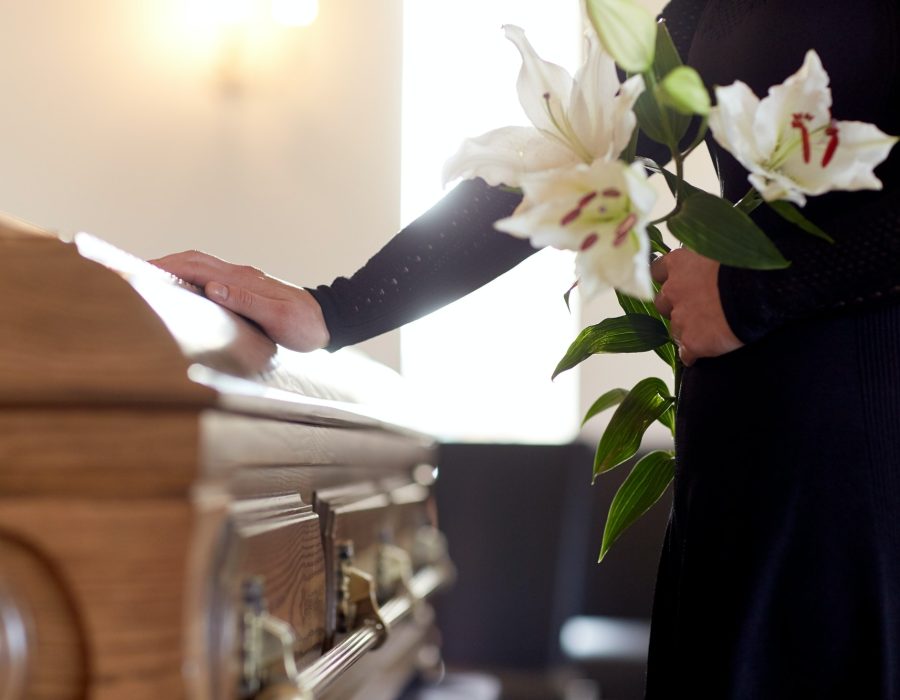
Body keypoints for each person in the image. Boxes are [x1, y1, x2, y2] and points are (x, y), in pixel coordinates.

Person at [153, 0, 900, 696]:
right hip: (748, 470)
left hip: (869, 471)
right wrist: (336, 306)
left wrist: (754, 289)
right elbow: (567, 158)